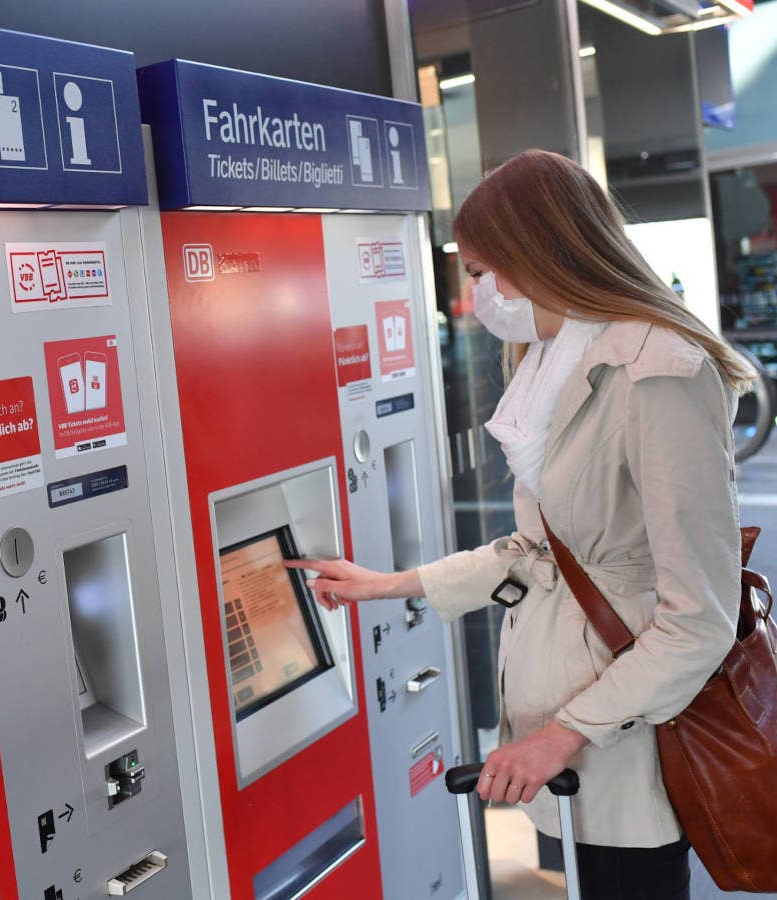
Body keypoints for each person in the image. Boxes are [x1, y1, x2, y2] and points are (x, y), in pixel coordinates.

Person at [290, 150, 752, 900]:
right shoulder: (546, 361)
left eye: (479, 272)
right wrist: (392, 585)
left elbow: (698, 619)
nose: (474, 297)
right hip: (565, 733)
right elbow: (537, 552)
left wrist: (564, 732)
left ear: (539, 252)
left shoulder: (660, 373)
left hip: (624, 733)